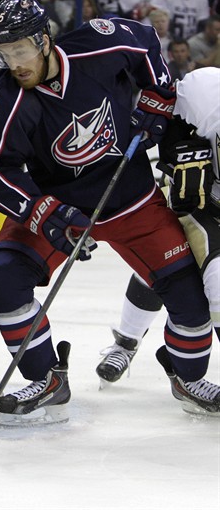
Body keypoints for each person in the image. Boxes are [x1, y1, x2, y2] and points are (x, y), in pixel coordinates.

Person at [0, 0, 218, 426]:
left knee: (190, 299)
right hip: (61, 209)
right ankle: (47, 379)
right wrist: (44, 214)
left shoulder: (96, 45)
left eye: (21, 50)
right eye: (5, 54)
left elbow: (144, 41)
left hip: (133, 199)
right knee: (3, 278)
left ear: (44, 40)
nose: (14, 63)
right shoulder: (3, 100)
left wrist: (157, 99)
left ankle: (187, 376)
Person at [96, 67, 220, 415]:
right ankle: (126, 342)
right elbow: (161, 114)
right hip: (195, 204)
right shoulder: (205, 89)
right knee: (165, 264)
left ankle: (167, 358)